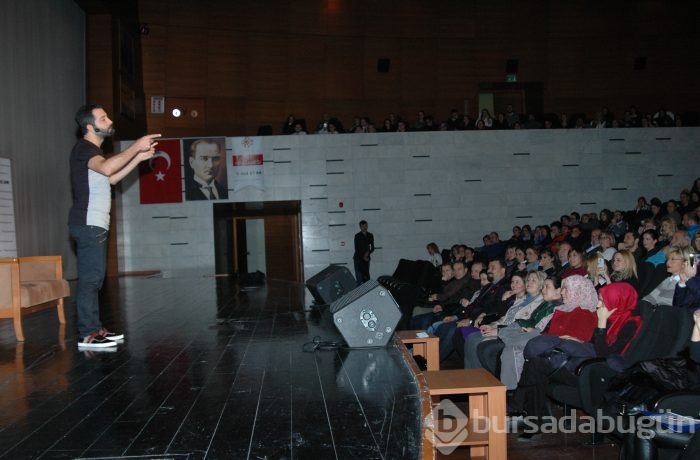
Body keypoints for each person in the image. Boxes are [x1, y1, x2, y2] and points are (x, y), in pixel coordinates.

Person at [69, 103, 160, 348]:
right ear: (90, 126)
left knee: (95, 278)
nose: (109, 120)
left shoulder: (91, 152)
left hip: (94, 223)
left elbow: (110, 178)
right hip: (88, 222)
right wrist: (136, 147)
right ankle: (88, 334)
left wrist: (138, 158)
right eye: (103, 118)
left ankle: (95, 329)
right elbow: (109, 167)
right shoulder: (84, 149)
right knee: (90, 279)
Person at [353, 220, 374, 285]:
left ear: (367, 226)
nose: (364, 227)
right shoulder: (357, 236)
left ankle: (368, 290)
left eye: (365, 226)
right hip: (358, 258)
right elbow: (357, 249)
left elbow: (372, 247)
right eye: (362, 226)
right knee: (359, 276)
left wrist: (367, 253)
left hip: (366, 258)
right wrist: (363, 256)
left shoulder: (370, 235)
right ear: (360, 227)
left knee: (366, 276)